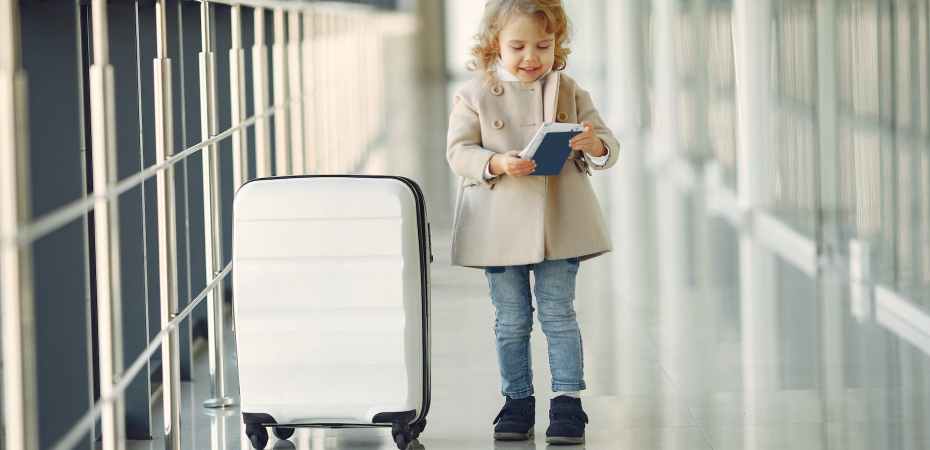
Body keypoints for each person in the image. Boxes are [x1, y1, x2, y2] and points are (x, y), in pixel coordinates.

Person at [445, 0, 620, 445]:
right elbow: (459, 152)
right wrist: (497, 162)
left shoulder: (569, 90)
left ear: (557, 44)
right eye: (518, 46)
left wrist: (594, 144)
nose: (531, 57)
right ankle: (517, 401)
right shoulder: (474, 95)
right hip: (498, 226)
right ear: (494, 45)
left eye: (543, 46)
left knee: (559, 313)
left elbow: (606, 142)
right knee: (511, 319)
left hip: (558, 223)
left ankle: (567, 402)